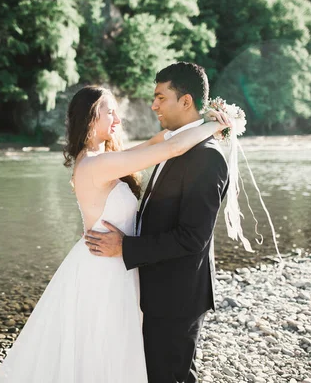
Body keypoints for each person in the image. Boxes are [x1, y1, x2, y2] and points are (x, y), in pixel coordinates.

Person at [0, 77, 229, 382]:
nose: (118, 118)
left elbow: (159, 141)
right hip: (103, 271)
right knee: (101, 351)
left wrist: (196, 123)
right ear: (90, 118)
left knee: (120, 350)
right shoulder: (93, 164)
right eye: (109, 112)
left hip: (121, 265)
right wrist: (217, 125)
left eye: (117, 111)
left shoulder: (107, 159)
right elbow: (170, 149)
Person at [85, 62, 229, 383]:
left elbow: (193, 238)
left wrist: (126, 247)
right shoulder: (174, 145)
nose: (153, 105)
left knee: (170, 375)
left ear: (186, 101)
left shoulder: (207, 157)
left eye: (161, 97)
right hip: (159, 289)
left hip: (178, 295)